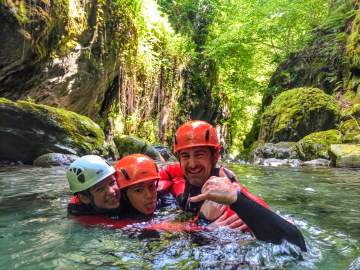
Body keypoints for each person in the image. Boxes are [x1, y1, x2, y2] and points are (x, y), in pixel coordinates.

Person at [159, 120, 307, 251]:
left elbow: (296, 242)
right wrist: (196, 228)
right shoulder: (180, 180)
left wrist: (237, 200)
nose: (191, 164)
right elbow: (163, 173)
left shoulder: (230, 195)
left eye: (199, 155)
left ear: (215, 157)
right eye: (185, 156)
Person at [115, 154, 159, 219]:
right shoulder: (116, 216)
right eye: (138, 190)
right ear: (124, 195)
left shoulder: (165, 200)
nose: (149, 195)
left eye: (151, 186)